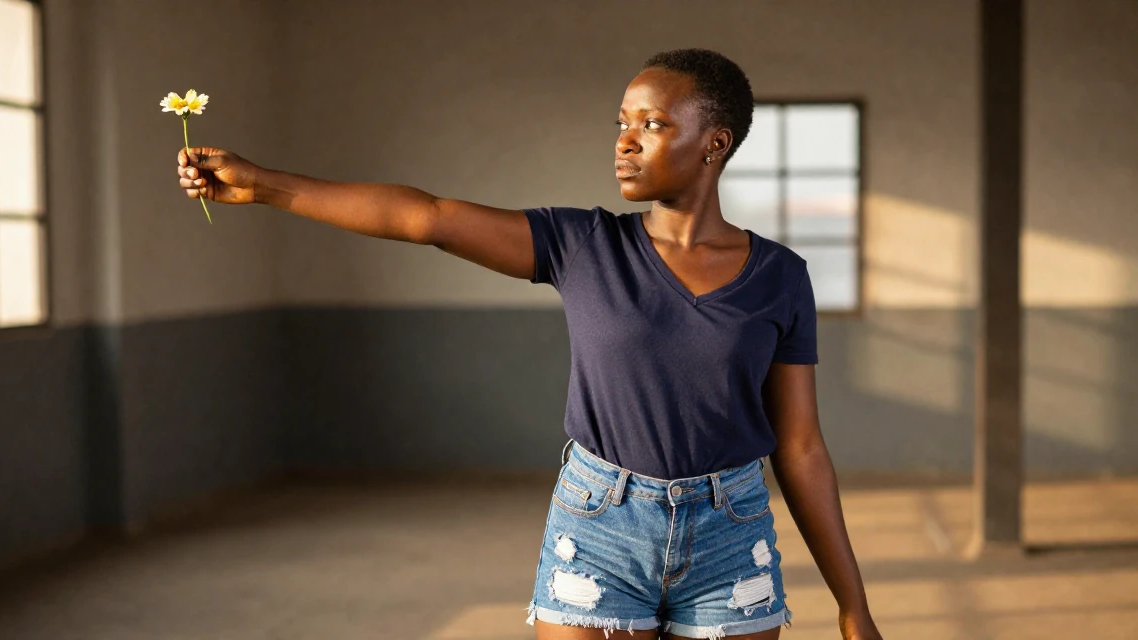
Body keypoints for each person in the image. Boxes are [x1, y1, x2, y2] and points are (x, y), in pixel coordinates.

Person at [174, 47, 880, 640]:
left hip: (732, 531)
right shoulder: (581, 244)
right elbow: (427, 217)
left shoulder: (780, 278)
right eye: (621, 123)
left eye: (653, 123)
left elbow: (801, 448)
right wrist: (266, 185)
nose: (624, 140)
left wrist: (853, 605)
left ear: (713, 144)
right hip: (600, 524)